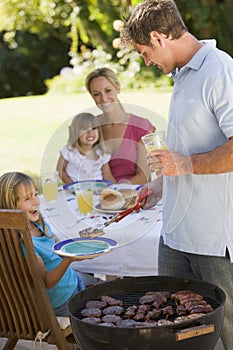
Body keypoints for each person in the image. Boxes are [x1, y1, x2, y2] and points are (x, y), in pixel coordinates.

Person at [122, 1, 233, 349]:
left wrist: (183, 165)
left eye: (144, 52)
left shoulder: (220, 69)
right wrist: (160, 183)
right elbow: (190, 146)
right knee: (170, 325)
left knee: (227, 328)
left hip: (211, 238)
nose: (147, 62)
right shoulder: (182, 74)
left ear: (158, 37)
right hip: (173, 233)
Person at [0, 171, 98, 317]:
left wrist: (80, 248)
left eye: (35, 194)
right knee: (111, 299)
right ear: (11, 207)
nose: (36, 201)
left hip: (73, 281)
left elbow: (61, 248)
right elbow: (47, 282)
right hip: (64, 301)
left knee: (114, 288)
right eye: (27, 198)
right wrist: (69, 259)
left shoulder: (38, 225)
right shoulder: (24, 244)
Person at [85, 67, 155, 184]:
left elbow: (144, 176)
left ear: (118, 89)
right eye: (96, 94)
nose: (103, 98)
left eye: (108, 91)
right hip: (98, 195)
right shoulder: (90, 127)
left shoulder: (141, 126)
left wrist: (115, 191)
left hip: (133, 194)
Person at [56, 112, 115, 184]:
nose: (90, 133)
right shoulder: (69, 151)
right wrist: (73, 186)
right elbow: (60, 170)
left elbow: (108, 176)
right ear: (76, 132)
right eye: (85, 129)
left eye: (94, 128)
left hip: (98, 191)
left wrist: (115, 188)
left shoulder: (101, 153)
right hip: (75, 192)